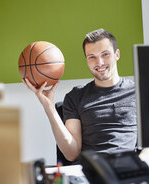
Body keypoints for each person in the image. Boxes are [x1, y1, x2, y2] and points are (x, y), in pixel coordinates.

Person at [23, 28, 137, 164]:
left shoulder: (137, 92)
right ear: (86, 60)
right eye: (92, 57)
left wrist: (141, 166)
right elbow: (71, 154)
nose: (99, 62)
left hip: (129, 171)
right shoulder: (76, 96)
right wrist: (48, 107)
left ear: (117, 54)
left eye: (105, 54)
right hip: (91, 172)